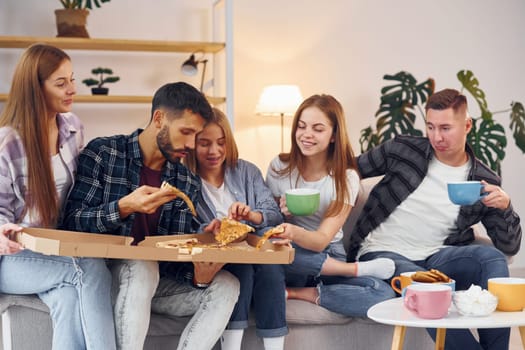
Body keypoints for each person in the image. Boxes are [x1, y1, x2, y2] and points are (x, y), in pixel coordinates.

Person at [62, 82, 240, 350]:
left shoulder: (184, 180)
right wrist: (124, 207)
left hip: (156, 282)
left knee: (227, 284)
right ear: (159, 119)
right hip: (106, 278)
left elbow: (173, 255)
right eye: (186, 132)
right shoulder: (104, 154)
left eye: (196, 135)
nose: (191, 145)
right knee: (143, 265)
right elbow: (72, 222)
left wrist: (198, 276)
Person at [348, 88, 522, 349]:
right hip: (382, 254)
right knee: (426, 286)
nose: (436, 137)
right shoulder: (403, 149)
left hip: (439, 257)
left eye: (445, 128)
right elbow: (349, 169)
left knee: (493, 260)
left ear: (467, 125)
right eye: (430, 127)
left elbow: (508, 247)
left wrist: (505, 207)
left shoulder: (483, 180)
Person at [0, 43, 116, 350]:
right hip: (15, 257)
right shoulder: (9, 141)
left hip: (60, 247)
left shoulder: (73, 128)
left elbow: (84, 189)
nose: (72, 89)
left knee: (68, 295)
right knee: (88, 269)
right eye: (61, 83)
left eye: (72, 80)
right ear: (35, 89)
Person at [265, 94, 396, 317]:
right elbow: (271, 225)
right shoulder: (280, 166)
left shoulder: (345, 177)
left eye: (318, 129)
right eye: (302, 126)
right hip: (293, 254)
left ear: (334, 135)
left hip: (328, 253)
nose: (307, 135)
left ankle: (299, 293)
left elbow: (321, 240)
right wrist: (281, 214)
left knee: (381, 294)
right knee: (271, 255)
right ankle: (351, 271)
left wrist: (294, 231)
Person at [185, 108, 288, 350]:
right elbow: (183, 228)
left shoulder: (246, 171)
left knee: (271, 266)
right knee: (241, 270)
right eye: (204, 143)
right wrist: (207, 230)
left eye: (221, 143)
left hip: (254, 249)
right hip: (220, 258)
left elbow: (273, 214)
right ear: (192, 145)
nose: (214, 151)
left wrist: (252, 215)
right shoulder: (185, 179)